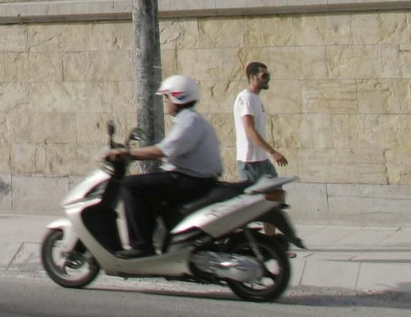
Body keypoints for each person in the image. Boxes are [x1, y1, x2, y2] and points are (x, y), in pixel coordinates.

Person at [103, 74, 221, 258]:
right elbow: (170, 151)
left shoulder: (189, 122)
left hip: (190, 180)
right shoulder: (189, 119)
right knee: (149, 189)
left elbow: (163, 150)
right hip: (192, 178)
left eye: (166, 97)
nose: (165, 101)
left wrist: (127, 153)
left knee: (130, 186)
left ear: (177, 97)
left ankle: (141, 247)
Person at [234, 61, 288, 182]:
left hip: (261, 159)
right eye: (264, 76)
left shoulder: (255, 98)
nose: (268, 79)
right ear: (252, 77)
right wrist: (273, 152)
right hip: (250, 161)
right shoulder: (246, 98)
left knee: (275, 190)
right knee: (254, 194)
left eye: (268, 75)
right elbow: (250, 129)